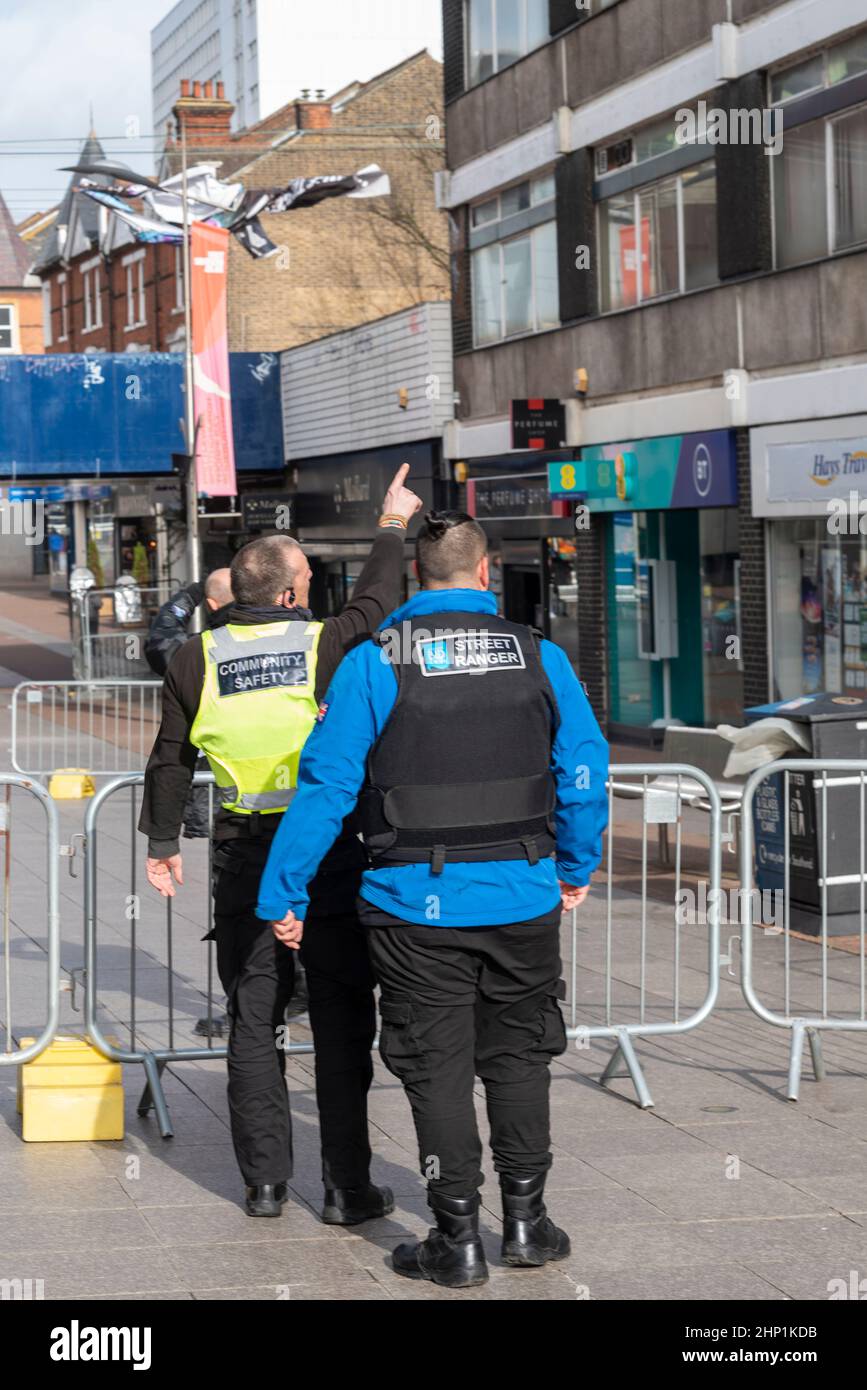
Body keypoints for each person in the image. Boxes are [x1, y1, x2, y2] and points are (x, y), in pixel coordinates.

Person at [256, 510, 609, 1288]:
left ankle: (457, 1238)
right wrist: (574, 866)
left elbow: (326, 785)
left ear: (417, 576)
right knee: (519, 1058)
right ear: (485, 573)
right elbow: (584, 768)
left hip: (413, 905)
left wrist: (283, 891)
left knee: (435, 1068)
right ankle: (525, 1223)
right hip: (522, 895)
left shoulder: (373, 661)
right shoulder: (541, 656)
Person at [140, 465, 422, 1220]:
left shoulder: (193, 659)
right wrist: (392, 522)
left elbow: (170, 757)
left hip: (240, 856)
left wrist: (161, 841)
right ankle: (345, 1188)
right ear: (292, 594)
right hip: (327, 857)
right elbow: (377, 601)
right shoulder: (324, 643)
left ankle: (264, 1184)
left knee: (252, 1017)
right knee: (337, 1017)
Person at [145, 570, 234, 841]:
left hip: (212, 776)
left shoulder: (195, 651)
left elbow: (162, 636)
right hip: (274, 789)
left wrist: (192, 593)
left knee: (225, 867)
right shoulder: (282, 642)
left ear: (212, 605)